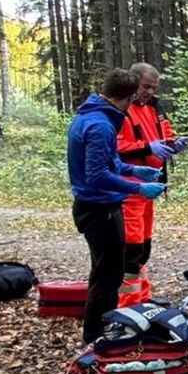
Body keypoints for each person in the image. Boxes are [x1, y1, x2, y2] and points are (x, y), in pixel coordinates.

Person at [67, 69, 166, 343]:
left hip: (100, 205)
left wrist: (135, 170)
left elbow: (111, 164)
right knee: (108, 277)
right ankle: (97, 337)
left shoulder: (93, 117)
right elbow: (96, 174)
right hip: (98, 208)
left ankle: (101, 330)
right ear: (128, 96)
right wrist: (137, 187)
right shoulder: (100, 125)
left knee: (105, 272)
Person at [116, 63, 188, 302]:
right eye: (146, 87)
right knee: (131, 248)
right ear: (133, 82)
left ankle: (143, 298)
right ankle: (127, 305)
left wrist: (173, 144)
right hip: (129, 187)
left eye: (154, 88)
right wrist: (148, 147)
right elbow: (115, 147)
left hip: (149, 188)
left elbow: (163, 134)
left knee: (144, 246)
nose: (150, 92)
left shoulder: (153, 108)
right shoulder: (121, 110)